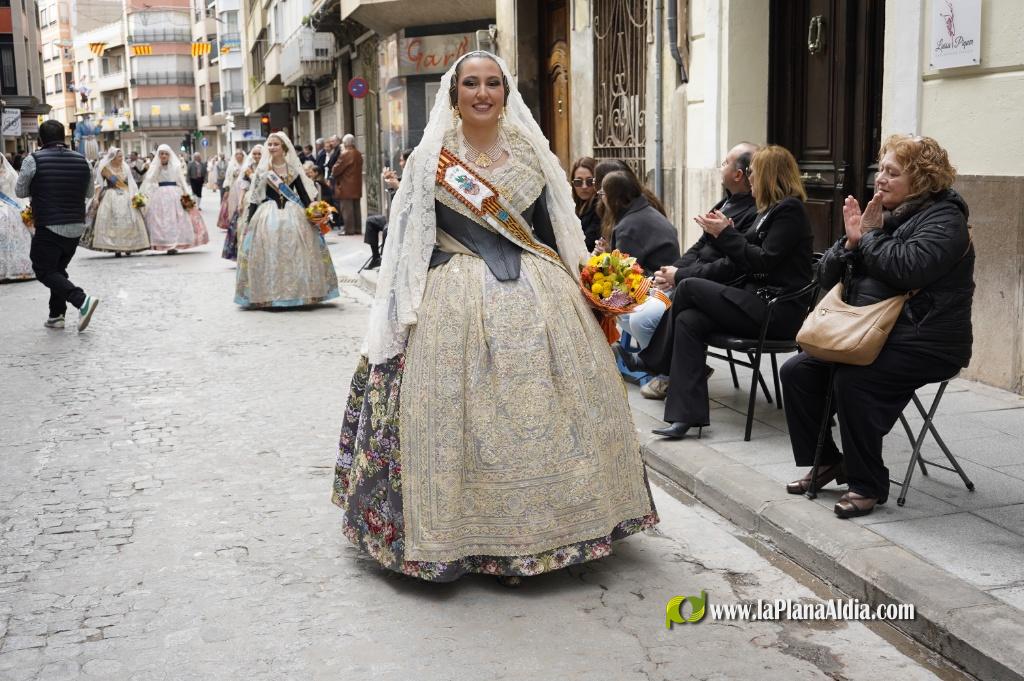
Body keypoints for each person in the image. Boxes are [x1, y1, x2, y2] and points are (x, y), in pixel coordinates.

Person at [333, 51, 657, 585]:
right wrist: (402, 308)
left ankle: (557, 529)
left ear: (505, 92)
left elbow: (553, 231)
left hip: (539, 293)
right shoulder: (430, 157)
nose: (482, 93)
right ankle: (458, 535)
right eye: (471, 84)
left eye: (492, 84)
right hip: (450, 294)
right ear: (454, 93)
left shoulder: (531, 153)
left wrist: (595, 281)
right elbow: (409, 242)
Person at [781, 135, 974, 519]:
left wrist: (866, 237)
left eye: (892, 172)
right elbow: (824, 272)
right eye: (880, 170)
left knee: (854, 382)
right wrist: (850, 244)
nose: (880, 179)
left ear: (921, 179)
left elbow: (908, 268)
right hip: (870, 334)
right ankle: (826, 463)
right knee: (797, 371)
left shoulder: (945, 219)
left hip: (926, 339)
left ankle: (867, 484)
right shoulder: (881, 213)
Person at [637, 145, 812, 439]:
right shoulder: (766, 212)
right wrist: (725, 235)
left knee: (689, 287)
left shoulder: (789, 210)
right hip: (753, 301)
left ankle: (652, 359)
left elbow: (764, 260)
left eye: (755, 175)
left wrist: (726, 235)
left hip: (776, 309)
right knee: (689, 320)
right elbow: (743, 258)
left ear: (769, 176)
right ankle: (685, 417)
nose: (751, 180)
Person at [632, 142, 760, 400]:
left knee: (645, 317)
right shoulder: (725, 203)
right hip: (694, 280)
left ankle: (663, 369)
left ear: (739, 174)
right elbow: (700, 246)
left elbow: (731, 266)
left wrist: (680, 276)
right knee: (633, 301)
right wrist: (672, 271)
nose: (719, 167)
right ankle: (673, 370)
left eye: (724, 162)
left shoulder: (756, 212)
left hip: (719, 290)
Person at [234, 132, 339, 308]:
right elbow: (254, 198)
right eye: (270, 144)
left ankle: (300, 293)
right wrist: (248, 222)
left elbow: (304, 196)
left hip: (293, 214)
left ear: (284, 148)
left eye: (275, 144)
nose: (272, 147)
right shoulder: (263, 171)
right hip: (268, 215)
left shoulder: (293, 171)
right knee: (270, 254)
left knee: (297, 253)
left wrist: (315, 214)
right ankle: (270, 294)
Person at [16, 119, 100, 331]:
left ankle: (81, 300)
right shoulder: (83, 161)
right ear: (64, 138)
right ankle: (56, 315)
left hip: (49, 225)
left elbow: (20, 191)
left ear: (40, 139)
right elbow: (89, 193)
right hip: (75, 227)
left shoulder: (32, 160)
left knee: (43, 269)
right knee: (57, 269)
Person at [597, 170, 679, 273]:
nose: (601, 199)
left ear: (613, 198)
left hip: (657, 283)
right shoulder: (646, 210)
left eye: (602, 194)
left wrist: (606, 259)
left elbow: (623, 273)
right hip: (668, 277)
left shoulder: (627, 228)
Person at [80, 147, 150, 257]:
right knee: (112, 221)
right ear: (113, 157)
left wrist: (136, 196)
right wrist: (96, 198)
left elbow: (131, 183)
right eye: (119, 156)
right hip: (110, 195)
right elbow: (98, 185)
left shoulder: (125, 167)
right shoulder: (105, 168)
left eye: (122, 156)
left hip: (126, 195)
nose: (122, 158)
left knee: (129, 221)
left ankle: (129, 247)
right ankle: (116, 248)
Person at [140, 145, 209, 254]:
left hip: (175, 194)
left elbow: (182, 181)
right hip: (160, 194)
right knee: (160, 220)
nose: (163, 156)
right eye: (161, 154)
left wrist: (188, 194)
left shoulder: (176, 166)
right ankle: (164, 242)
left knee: (176, 219)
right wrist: (156, 168)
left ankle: (175, 243)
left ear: (169, 155)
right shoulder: (155, 167)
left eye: (166, 154)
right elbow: (150, 181)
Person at [362, 148, 412, 270]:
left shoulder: (415, 175)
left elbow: (410, 197)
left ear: (408, 161)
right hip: (394, 216)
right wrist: (391, 180)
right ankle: (376, 257)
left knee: (387, 229)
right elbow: (394, 192)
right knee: (371, 221)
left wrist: (397, 186)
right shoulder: (403, 175)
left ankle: (387, 262)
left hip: (407, 218)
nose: (400, 163)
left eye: (401, 160)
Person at [222, 145, 262, 261]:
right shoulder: (248, 168)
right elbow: (243, 187)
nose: (256, 156)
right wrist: (240, 202)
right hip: (249, 199)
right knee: (244, 225)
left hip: (264, 199)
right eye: (254, 153)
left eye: (259, 154)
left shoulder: (268, 167)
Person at [0, 153, 34, 281]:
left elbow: (18, 194)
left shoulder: (10, 174)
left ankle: (19, 269)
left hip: (10, 209)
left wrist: (26, 210)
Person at [332, 134, 363, 235]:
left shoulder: (345, 154)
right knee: (356, 208)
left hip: (346, 185)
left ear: (345, 143)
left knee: (347, 209)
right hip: (356, 185)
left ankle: (349, 229)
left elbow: (335, 169)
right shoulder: (358, 154)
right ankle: (357, 228)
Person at [570, 156, 601, 251]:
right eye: (578, 182)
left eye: (589, 181)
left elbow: (588, 243)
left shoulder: (600, 207)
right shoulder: (573, 205)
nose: (584, 187)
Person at [218, 150, 246, 231]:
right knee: (233, 206)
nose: (239, 155)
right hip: (233, 188)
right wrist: (227, 190)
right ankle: (233, 224)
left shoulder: (246, 165)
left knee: (243, 205)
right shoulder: (231, 165)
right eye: (237, 154)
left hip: (243, 188)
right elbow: (228, 178)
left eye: (240, 154)